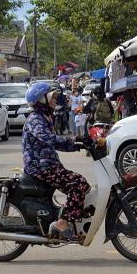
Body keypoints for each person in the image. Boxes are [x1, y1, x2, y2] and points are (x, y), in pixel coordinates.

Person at [21, 82, 93, 241]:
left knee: (82, 186)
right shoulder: (35, 119)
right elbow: (48, 139)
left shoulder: (46, 117)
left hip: (48, 165)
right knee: (78, 183)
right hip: (40, 167)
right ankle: (61, 222)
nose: (55, 100)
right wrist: (75, 139)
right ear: (42, 99)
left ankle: (65, 219)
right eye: (52, 97)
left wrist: (78, 144)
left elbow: (57, 143)